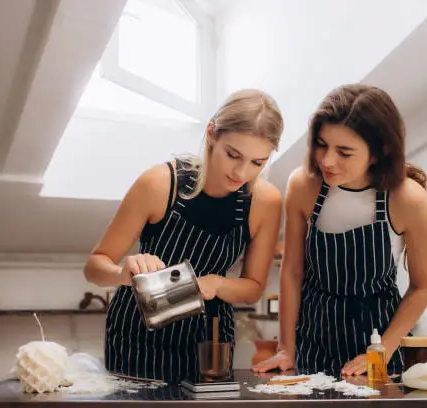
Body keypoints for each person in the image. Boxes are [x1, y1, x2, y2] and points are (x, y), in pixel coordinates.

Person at [84, 89, 284, 382]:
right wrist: (121, 273)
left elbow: (253, 287)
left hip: (209, 342)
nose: (242, 172)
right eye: (233, 155)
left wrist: (215, 283)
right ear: (212, 134)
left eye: (258, 162)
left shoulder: (265, 202)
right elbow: (94, 267)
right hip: (137, 338)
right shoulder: (159, 184)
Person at [252, 84, 427, 377]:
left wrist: (382, 351)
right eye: (322, 144)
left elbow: (421, 287)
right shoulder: (303, 185)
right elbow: (292, 272)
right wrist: (286, 348)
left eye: (344, 152)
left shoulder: (407, 199)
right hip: (313, 342)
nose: (327, 160)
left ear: (378, 153)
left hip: (379, 345)